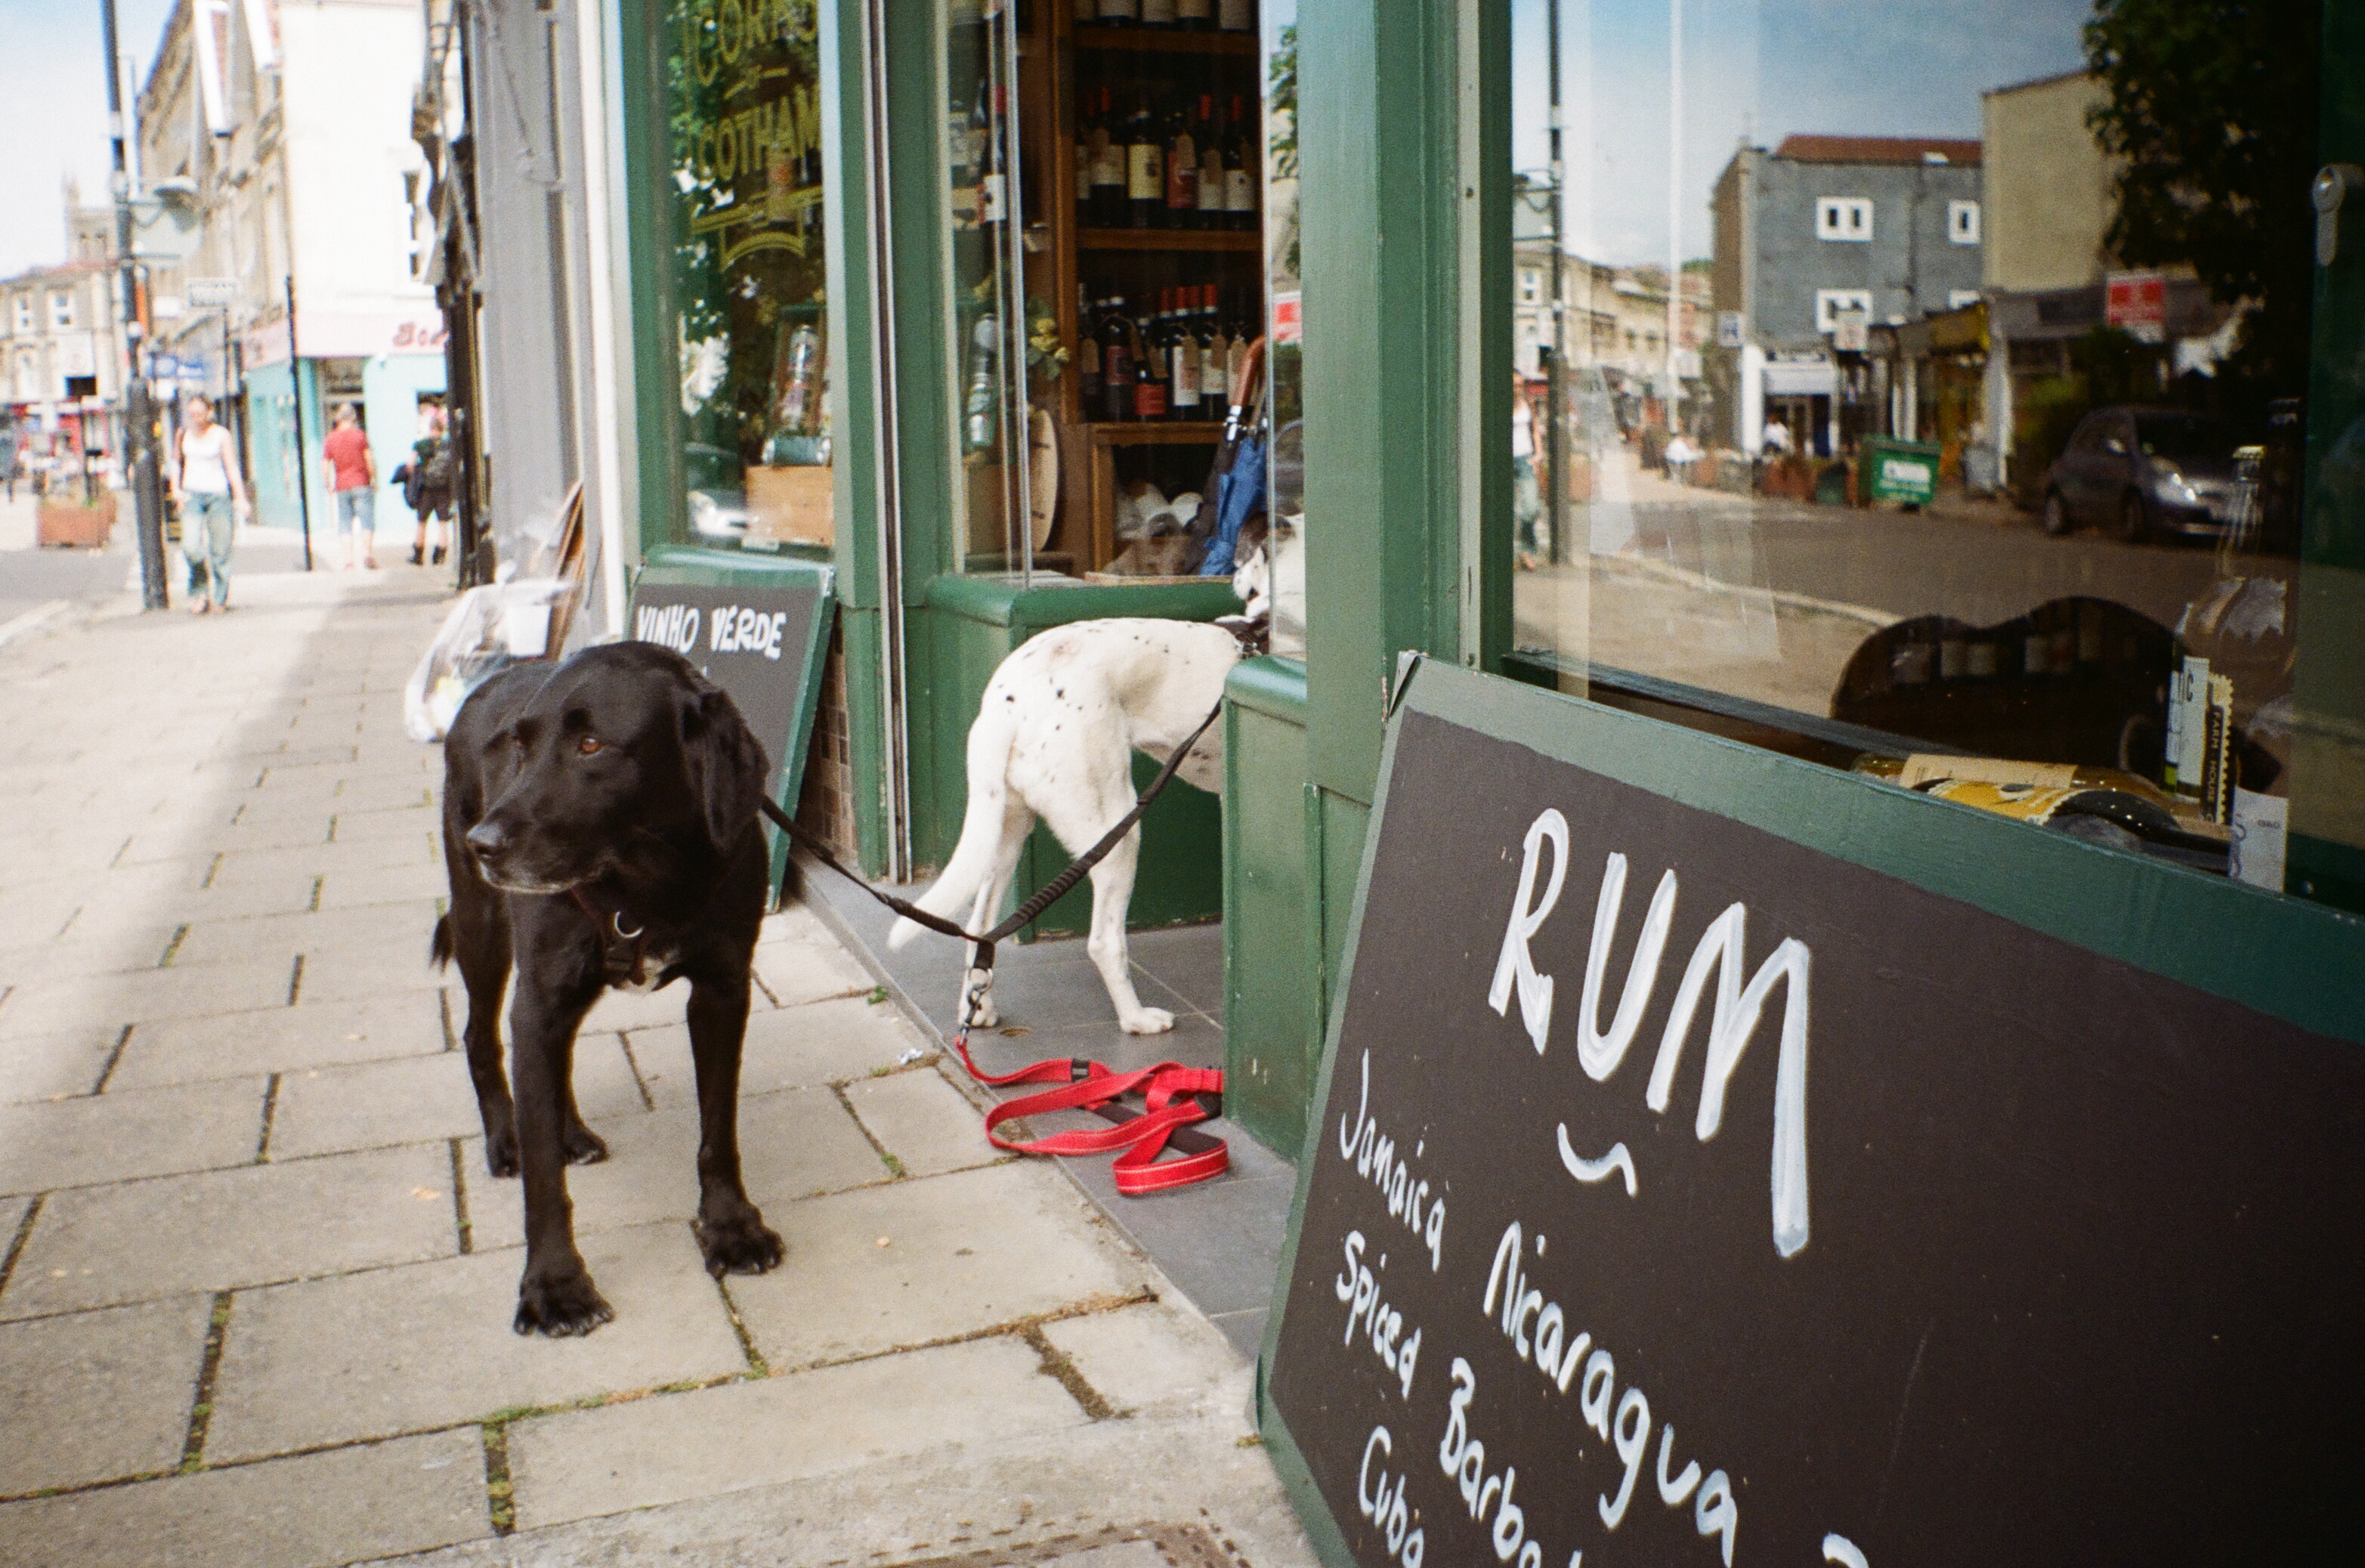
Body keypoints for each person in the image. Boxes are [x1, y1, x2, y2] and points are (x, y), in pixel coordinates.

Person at [168, 394, 250, 614]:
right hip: (191, 495)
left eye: (199, 413)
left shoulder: (221, 435)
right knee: (191, 547)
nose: (196, 418)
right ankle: (200, 590)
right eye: (192, 414)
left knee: (221, 550)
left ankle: (220, 598)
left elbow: (231, 467)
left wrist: (240, 498)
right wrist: (175, 490)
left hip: (218, 495)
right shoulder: (183, 434)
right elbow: (176, 463)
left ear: (209, 412)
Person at [322, 403, 377, 569]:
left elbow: (325, 464)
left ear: (339, 418)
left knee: (345, 523)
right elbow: (369, 460)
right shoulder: (360, 436)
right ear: (353, 417)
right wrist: (374, 479)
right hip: (362, 483)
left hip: (342, 486)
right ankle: (367, 556)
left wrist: (328, 484)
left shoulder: (331, 438)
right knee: (366, 521)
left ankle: (349, 561)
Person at [405, 401, 454, 567]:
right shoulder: (448, 444)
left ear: (430, 428)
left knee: (421, 522)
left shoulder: (421, 444)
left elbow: (410, 465)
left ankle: (418, 555)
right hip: (444, 488)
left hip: (426, 488)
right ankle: (440, 556)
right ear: (442, 429)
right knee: (443, 524)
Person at [1512, 372, 1547, 570]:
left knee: (1531, 508)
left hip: (1525, 459)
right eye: (1513, 385)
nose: (1517, 389)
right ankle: (1514, 555)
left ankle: (1527, 549)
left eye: (1519, 385)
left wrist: (1538, 454)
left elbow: (1534, 429)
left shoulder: (1527, 403)